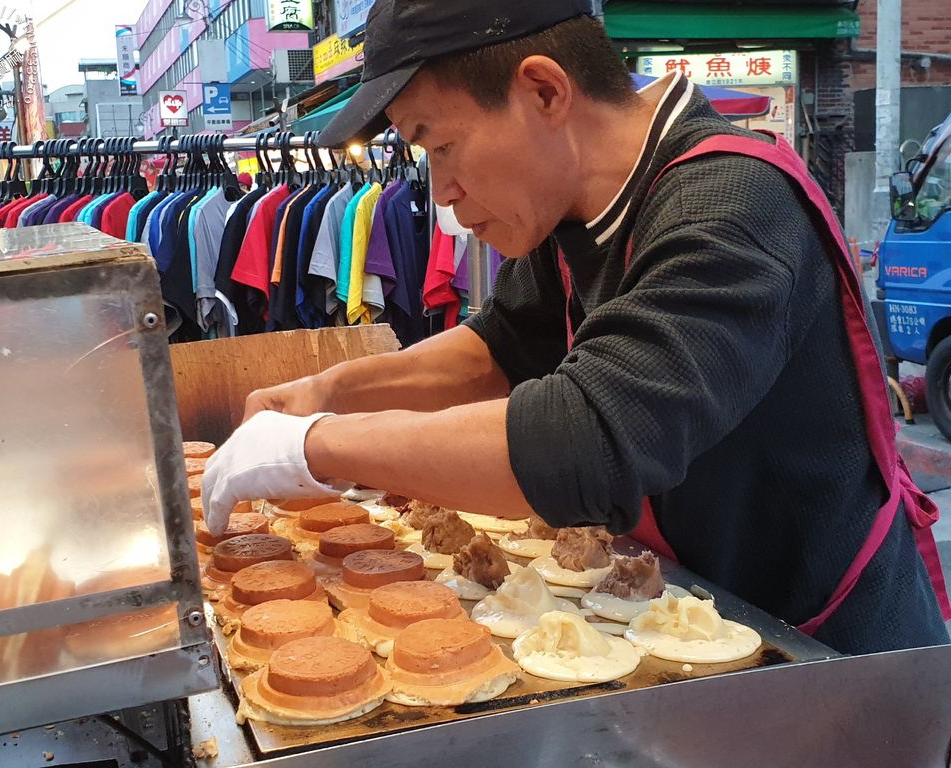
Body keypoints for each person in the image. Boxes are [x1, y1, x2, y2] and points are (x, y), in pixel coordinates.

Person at [202, 0, 951, 654]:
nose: (443, 192)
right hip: (686, 616)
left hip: (823, 657)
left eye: (440, 146)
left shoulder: (732, 204)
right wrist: (325, 392)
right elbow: (498, 347)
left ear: (543, 90)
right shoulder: (573, 210)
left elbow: (587, 440)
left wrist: (316, 449)